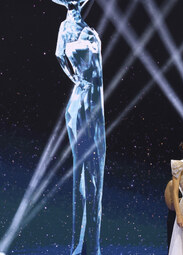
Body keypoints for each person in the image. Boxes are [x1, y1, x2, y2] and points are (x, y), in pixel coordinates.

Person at [52, 0, 106, 254]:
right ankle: (83, 245)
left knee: (92, 170)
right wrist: (75, 77)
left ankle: (87, 244)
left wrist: (76, 78)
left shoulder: (89, 32)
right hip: (83, 99)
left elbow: (65, 58)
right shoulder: (70, 29)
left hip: (87, 98)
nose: (74, 9)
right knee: (85, 170)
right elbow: (61, 57)